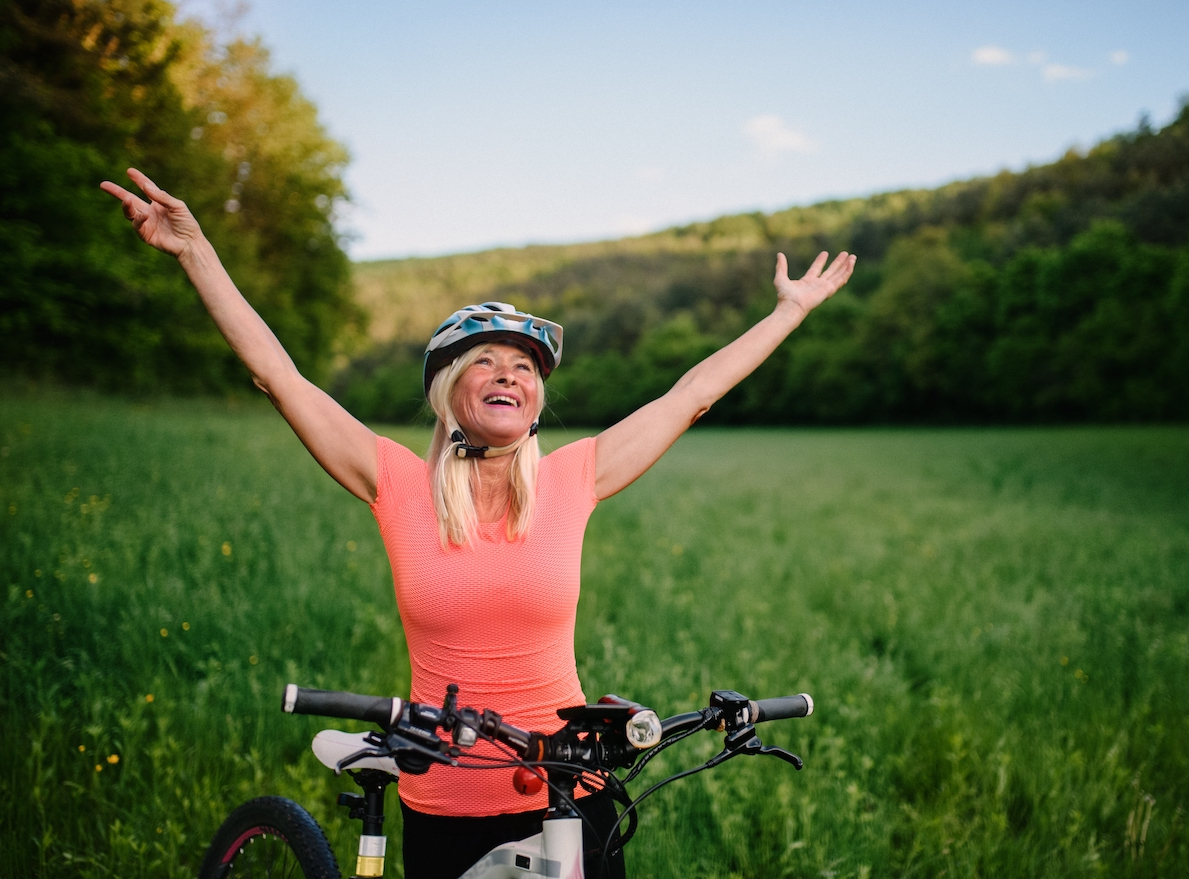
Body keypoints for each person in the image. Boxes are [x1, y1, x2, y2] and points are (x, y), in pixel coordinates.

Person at [101, 168, 855, 878]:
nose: (510, 373)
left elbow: (690, 395)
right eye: (486, 361)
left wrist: (788, 311)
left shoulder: (572, 477)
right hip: (446, 800)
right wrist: (196, 252)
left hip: (572, 790)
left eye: (525, 366)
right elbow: (278, 376)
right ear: (449, 390)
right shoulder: (397, 481)